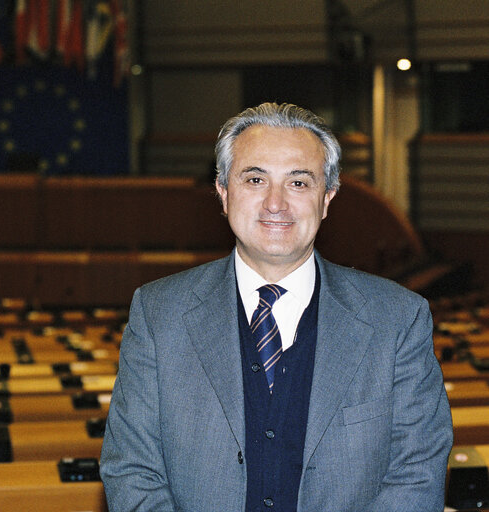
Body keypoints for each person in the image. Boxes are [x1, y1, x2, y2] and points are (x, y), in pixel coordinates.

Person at [100, 102, 453, 511]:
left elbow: (416, 474)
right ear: (224, 193)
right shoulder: (157, 314)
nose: (275, 203)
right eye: (254, 179)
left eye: (299, 183)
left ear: (327, 198)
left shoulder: (398, 319)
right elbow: (132, 471)